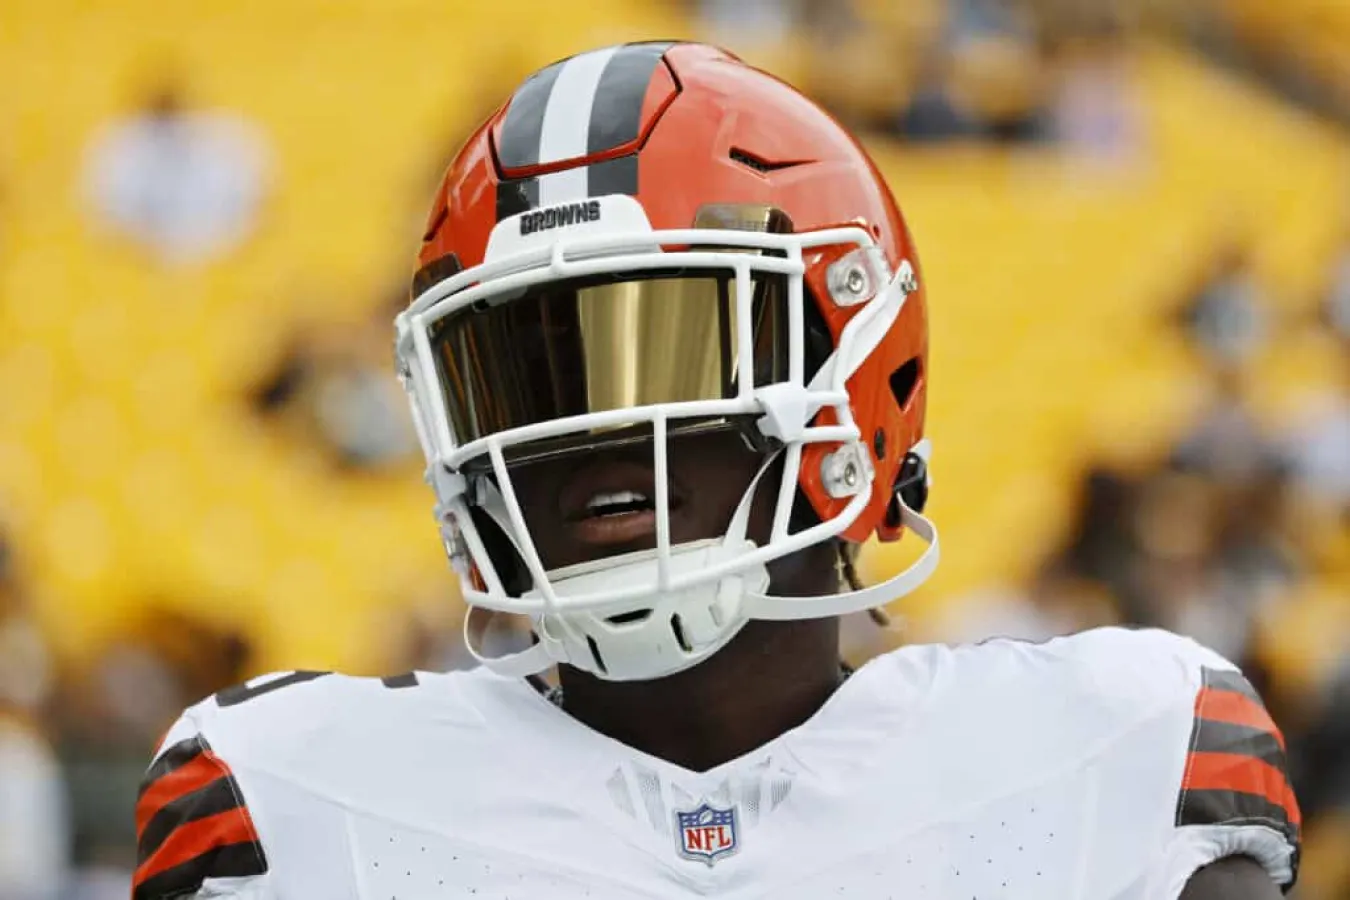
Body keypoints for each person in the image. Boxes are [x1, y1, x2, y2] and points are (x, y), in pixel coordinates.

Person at [131, 42, 1298, 899]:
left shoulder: (1123, 755)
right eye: (527, 378)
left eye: (669, 348)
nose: (592, 436)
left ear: (851, 361)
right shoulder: (289, 804)